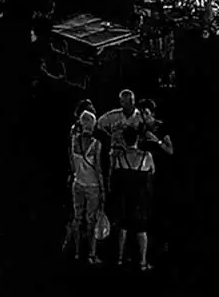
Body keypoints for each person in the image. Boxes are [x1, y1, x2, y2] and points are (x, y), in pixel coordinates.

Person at [108, 125, 155, 270]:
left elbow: (114, 175)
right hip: (141, 198)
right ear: (138, 139)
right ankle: (142, 262)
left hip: (125, 198)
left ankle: (120, 259)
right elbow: (152, 171)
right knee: (142, 230)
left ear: (124, 139)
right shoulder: (146, 156)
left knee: (123, 227)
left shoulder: (120, 157)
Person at [66, 108, 105, 263]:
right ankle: (91, 254)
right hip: (92, 185)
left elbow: (72, 164)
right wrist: (103, 189)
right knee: (91, 220)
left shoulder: (73, 141)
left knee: (77, 218)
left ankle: (76, 252)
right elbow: (98, 169)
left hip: (78, 183)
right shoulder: (96, 144)